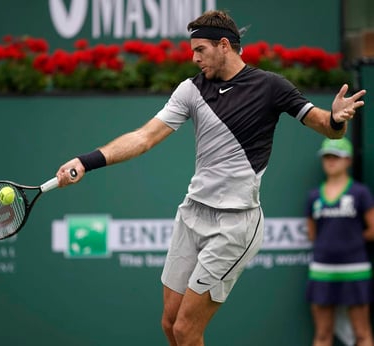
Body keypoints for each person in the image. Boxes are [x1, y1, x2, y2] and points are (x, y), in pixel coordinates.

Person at [56, 10, 367, 346]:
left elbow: (324, 124)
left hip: (235, 225)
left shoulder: (270, 87)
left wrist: (336, 118)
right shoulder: (190, 90)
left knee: (187, 330)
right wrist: (86, 162)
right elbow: (145, 137)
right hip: (192, 215)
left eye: (200, 49)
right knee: (170, 323)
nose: (194, 58)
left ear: (223, 46)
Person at [306, 137, 374, 346]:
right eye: (327, 156)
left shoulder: (360, 193)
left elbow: (372, 229)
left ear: (348, 161)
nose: (331, 161)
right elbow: (312, 233)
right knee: (323, 334)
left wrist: (349, 240)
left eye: (336, 156)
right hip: (322, 269)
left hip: (355, 268)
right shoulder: (314, 196)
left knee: (361, 333)